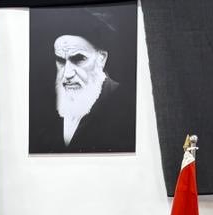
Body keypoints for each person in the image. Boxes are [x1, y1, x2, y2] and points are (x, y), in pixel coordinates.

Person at [31, 7, 136, 153]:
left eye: (79, 59)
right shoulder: (47, 108)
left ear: (101, 58)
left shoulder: (126, 105)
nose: (67, 74)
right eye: (61, 60)